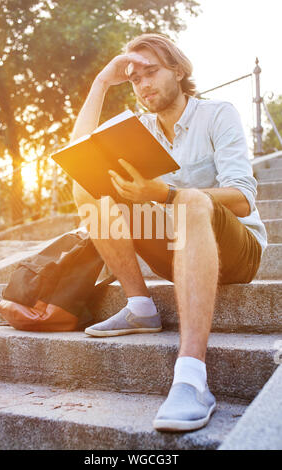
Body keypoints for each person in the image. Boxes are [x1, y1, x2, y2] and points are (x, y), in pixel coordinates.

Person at [71, 33, 267, 432]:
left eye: (151, 72)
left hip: (237, 250)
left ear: (178, 71)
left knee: (191, 201)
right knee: (87, 185)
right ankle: (141, 307)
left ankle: (192, 378)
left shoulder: (217, 113)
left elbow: (244, 199)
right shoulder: (137, 127)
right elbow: (77, 153)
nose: (143, 85)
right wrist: (101, 83)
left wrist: (165, 194)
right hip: (179, 251)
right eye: (134, 79)